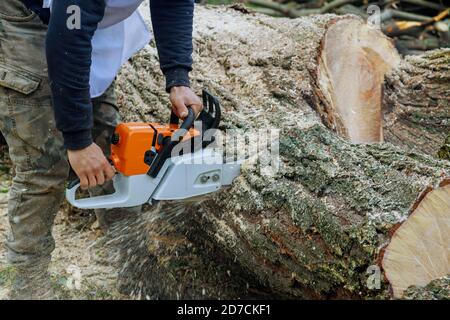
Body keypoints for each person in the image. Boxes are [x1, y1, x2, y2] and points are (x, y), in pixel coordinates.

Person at [0, 0, 203, 299]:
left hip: (82, 22)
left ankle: (135, 272)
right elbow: (67, 39)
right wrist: (79, 141)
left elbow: (173, 2)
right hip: (26, 17)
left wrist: (177, 76)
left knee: (114, 151)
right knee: (43, 167)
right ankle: (26, 286)